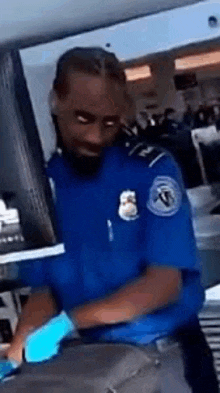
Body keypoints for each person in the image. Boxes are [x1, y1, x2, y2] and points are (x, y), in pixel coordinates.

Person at [0, 47, 215, 392]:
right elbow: (46, 291)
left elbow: (163, 284)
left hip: (166, 351)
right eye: (83, 119)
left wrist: (69, 322)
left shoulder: (150, 171)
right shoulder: (43, 188)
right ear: (56, 101)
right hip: (96, 360)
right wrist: (15, 354)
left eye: (110, 122)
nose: (96, 136)